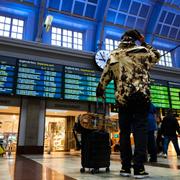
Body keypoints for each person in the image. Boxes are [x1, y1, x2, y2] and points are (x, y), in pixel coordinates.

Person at [96, 29, 160, 178]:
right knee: (140, 131)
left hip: (122, 99)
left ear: (122, 39)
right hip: (140, 97)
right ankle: (139, 169)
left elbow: (104, 77)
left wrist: (100, 90)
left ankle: (125, 168)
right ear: (136, 38)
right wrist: (144, 42)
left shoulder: (113, 55)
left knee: (124, 133)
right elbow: (156, 56)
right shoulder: (142, 50)